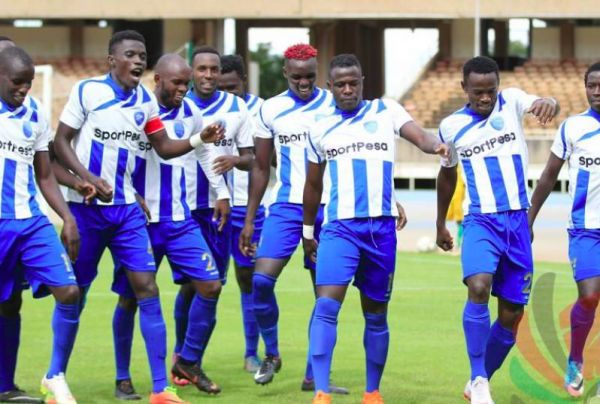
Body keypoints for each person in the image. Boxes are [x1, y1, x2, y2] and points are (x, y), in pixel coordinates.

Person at [52, 30, 222, 404]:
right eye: (131, 54)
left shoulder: (146, 103)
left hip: (133, 212)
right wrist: (86, 179)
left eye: (142, 54)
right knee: (74, 295)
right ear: (112, 60)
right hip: (89, 210)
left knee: (151, 291)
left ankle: (162, 386)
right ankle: (60, 376)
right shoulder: (87, 92)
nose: (138, 60)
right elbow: (58, 144)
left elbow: (163, 148)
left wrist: (200, 141)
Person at [303, 53, 443, 404]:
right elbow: (313, 186)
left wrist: (436, 146)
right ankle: (321, 391)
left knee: (376, 314)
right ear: (330, 87)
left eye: (354, 82)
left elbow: (420, 137)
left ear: (363, 81)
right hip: (339, 230)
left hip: (381, 232)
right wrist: (308, 231)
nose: (348, 89)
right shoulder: (319, 128)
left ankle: (372, 392)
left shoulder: (386, 111)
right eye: (341, 85)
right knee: (326, 307)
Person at [435, 56, 558, 404]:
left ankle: (479, 380)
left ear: (498, 87)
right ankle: (477, 377)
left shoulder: (513, 100)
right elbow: (447, 175)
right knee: (478, 285)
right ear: (464, 89)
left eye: (491, 90)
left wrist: (549, 103)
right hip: (481, 221)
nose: (485, 98)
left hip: (517, 222)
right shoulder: (451, 126)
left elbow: (541, 102)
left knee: (511, 314)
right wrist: (440, 221)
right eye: (478, 92)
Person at [110, 53, 229, 398]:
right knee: (131, 299)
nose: (184, 89)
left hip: (179, 220)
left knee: (210, 286)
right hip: (140, 223)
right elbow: (119, 154)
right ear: (157, 80)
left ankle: (187, 360)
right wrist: (129, 192)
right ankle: (122, 376)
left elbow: (204, 152)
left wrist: (220, 193)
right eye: (177, 82)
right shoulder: (139, 110)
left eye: (186, 83)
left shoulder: (191, 111)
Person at [239, 44, 346, 393]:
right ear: (285, 73)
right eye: (297, 76)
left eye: (310, 76)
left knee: (324, 294)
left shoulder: (334, 104)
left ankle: (314, 373)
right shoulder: (270, 110)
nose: (304, 82)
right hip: (285, 206)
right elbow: (259, 165)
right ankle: (271, 353)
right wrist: (251, 219)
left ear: (319, 72)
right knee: (261, 281)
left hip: (330, 208)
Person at [167, 45, 254, 390]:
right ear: (192, 71)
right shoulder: (177, 104)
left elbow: (251, 158)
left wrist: (234, 161)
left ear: (220, 73)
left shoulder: (237, 107)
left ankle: (192, 361)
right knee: (188, 286)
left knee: (210, 286)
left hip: (219, 211)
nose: (207, 75)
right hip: (178, 209)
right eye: (200, 69)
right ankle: (180, 357)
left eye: (213, 70)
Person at [0, 46, 81, 404]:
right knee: (7, 305)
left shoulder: (34, 113)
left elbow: (45, 174)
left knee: (69, 292)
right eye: (17, 82)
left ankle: (55, 376)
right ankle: (5, 387)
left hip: (31, 221)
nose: (24, 89)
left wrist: (67, 216)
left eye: (28, 83)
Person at [528, 61, 600, 398]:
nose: (597, 91)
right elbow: (547, 176)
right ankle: (575, 361)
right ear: (585, 87)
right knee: (589, 295)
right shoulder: (573, 128)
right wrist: (528, 219)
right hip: (586, 230)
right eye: (592, 85)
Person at [217, 54, 266, 372]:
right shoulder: (205, 107)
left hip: (250, 209)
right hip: (212, 209)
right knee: (203, 282)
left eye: (232, 87)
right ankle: (185, 356)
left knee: (250, 280)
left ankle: (251, 352)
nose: (227, 94)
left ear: (244, 81)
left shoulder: (260, 109)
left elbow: (264, 161)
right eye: (221, 88)